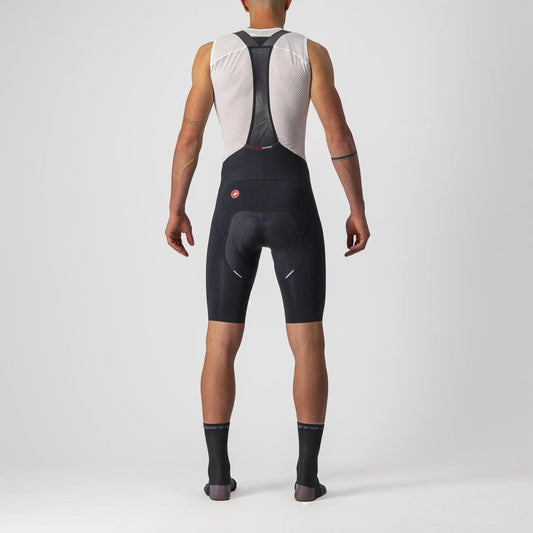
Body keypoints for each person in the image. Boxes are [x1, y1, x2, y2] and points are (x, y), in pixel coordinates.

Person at [165, 0, 370, 502]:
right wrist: (357, 208)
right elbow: (337, 133)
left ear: (242, 1)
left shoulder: (211, 54)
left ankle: (218, 477)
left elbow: (189, 137)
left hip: (232, 206)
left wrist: (176, 209)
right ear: (289, 0)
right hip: (292, 202)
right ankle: (306, 479)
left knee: (219, 340)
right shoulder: (311, 52)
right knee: (308, 341)